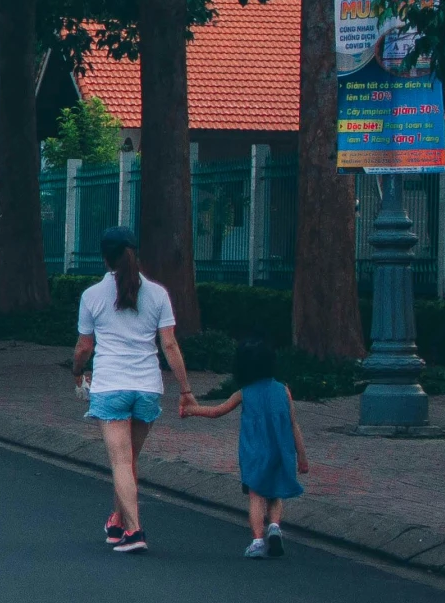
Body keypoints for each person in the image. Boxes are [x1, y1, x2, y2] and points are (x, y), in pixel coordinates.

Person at [71, 226, 196, 555]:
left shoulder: (92, 296)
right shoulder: (157, 294)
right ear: (133, 253)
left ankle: (135, 532)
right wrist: (185, 389)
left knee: (121, 463)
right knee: (128, 461)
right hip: (147, 388)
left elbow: (84, 347)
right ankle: (116, 522)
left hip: (110, 386)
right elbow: (169, 344)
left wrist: (77, 372)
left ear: (104, 257)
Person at [182, 338, 308, 558]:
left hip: (255, 453)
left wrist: (192, 410)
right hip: (280, 450)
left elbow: (217, 411)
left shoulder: (245, 392)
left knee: (256, 496)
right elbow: (293, 424)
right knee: (275, 494)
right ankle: (275, 527)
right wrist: (302, 456)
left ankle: (258, 541)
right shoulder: (283, 390)